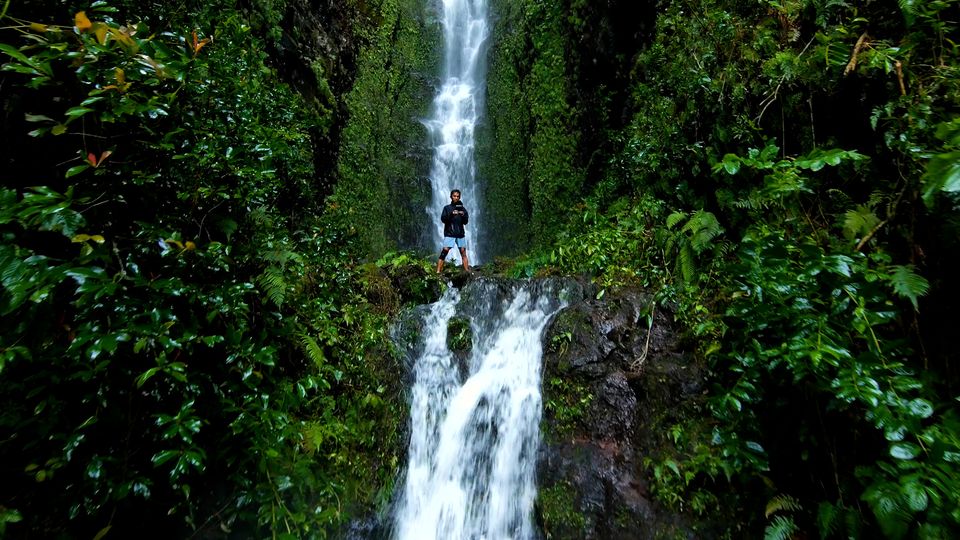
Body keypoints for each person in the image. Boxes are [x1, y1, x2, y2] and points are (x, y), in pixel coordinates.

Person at [437, 189, 470, 273]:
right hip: (450, 233)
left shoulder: (462, 209)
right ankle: (438, 272)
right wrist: (451, 214)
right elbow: (443, 219)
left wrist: (463, 215)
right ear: (451, 196)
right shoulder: (447, 208)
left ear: (459, 197)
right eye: (454, 196)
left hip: (460, 234)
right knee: (445, 250)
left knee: (463, 252)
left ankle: (467, 271)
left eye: (458, 196)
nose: (456, 197)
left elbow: (466, 222)